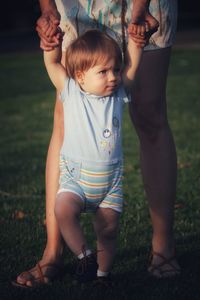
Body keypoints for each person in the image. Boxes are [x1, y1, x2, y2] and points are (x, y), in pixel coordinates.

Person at [15, 0, 180, 287]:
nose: (113, 78)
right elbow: (53, 63)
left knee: (151, 114)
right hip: (81, 6)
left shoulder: (119, 90)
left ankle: (153, 251)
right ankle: (55, 252)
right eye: (105, 73)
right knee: (63, 127)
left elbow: (130, 68)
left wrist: (139, 28)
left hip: (109, 185)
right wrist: (48, 23)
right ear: (78, 76)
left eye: (114, 72)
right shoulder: (70, 87)